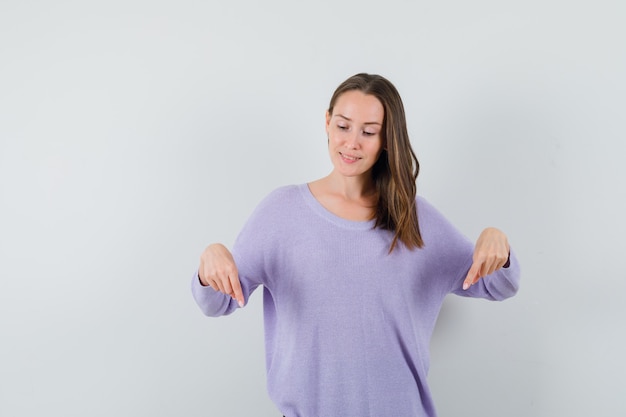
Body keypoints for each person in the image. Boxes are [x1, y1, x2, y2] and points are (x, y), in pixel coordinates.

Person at [191, 73, 520, 417]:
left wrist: (497, 241)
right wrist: (210, 258)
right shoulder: (281, 212)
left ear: (386, 140)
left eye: (368, 131)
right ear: (327, 122)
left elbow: (498, 284)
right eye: (344, 126)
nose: (352, 143)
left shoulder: (414, 219)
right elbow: (217, 302)